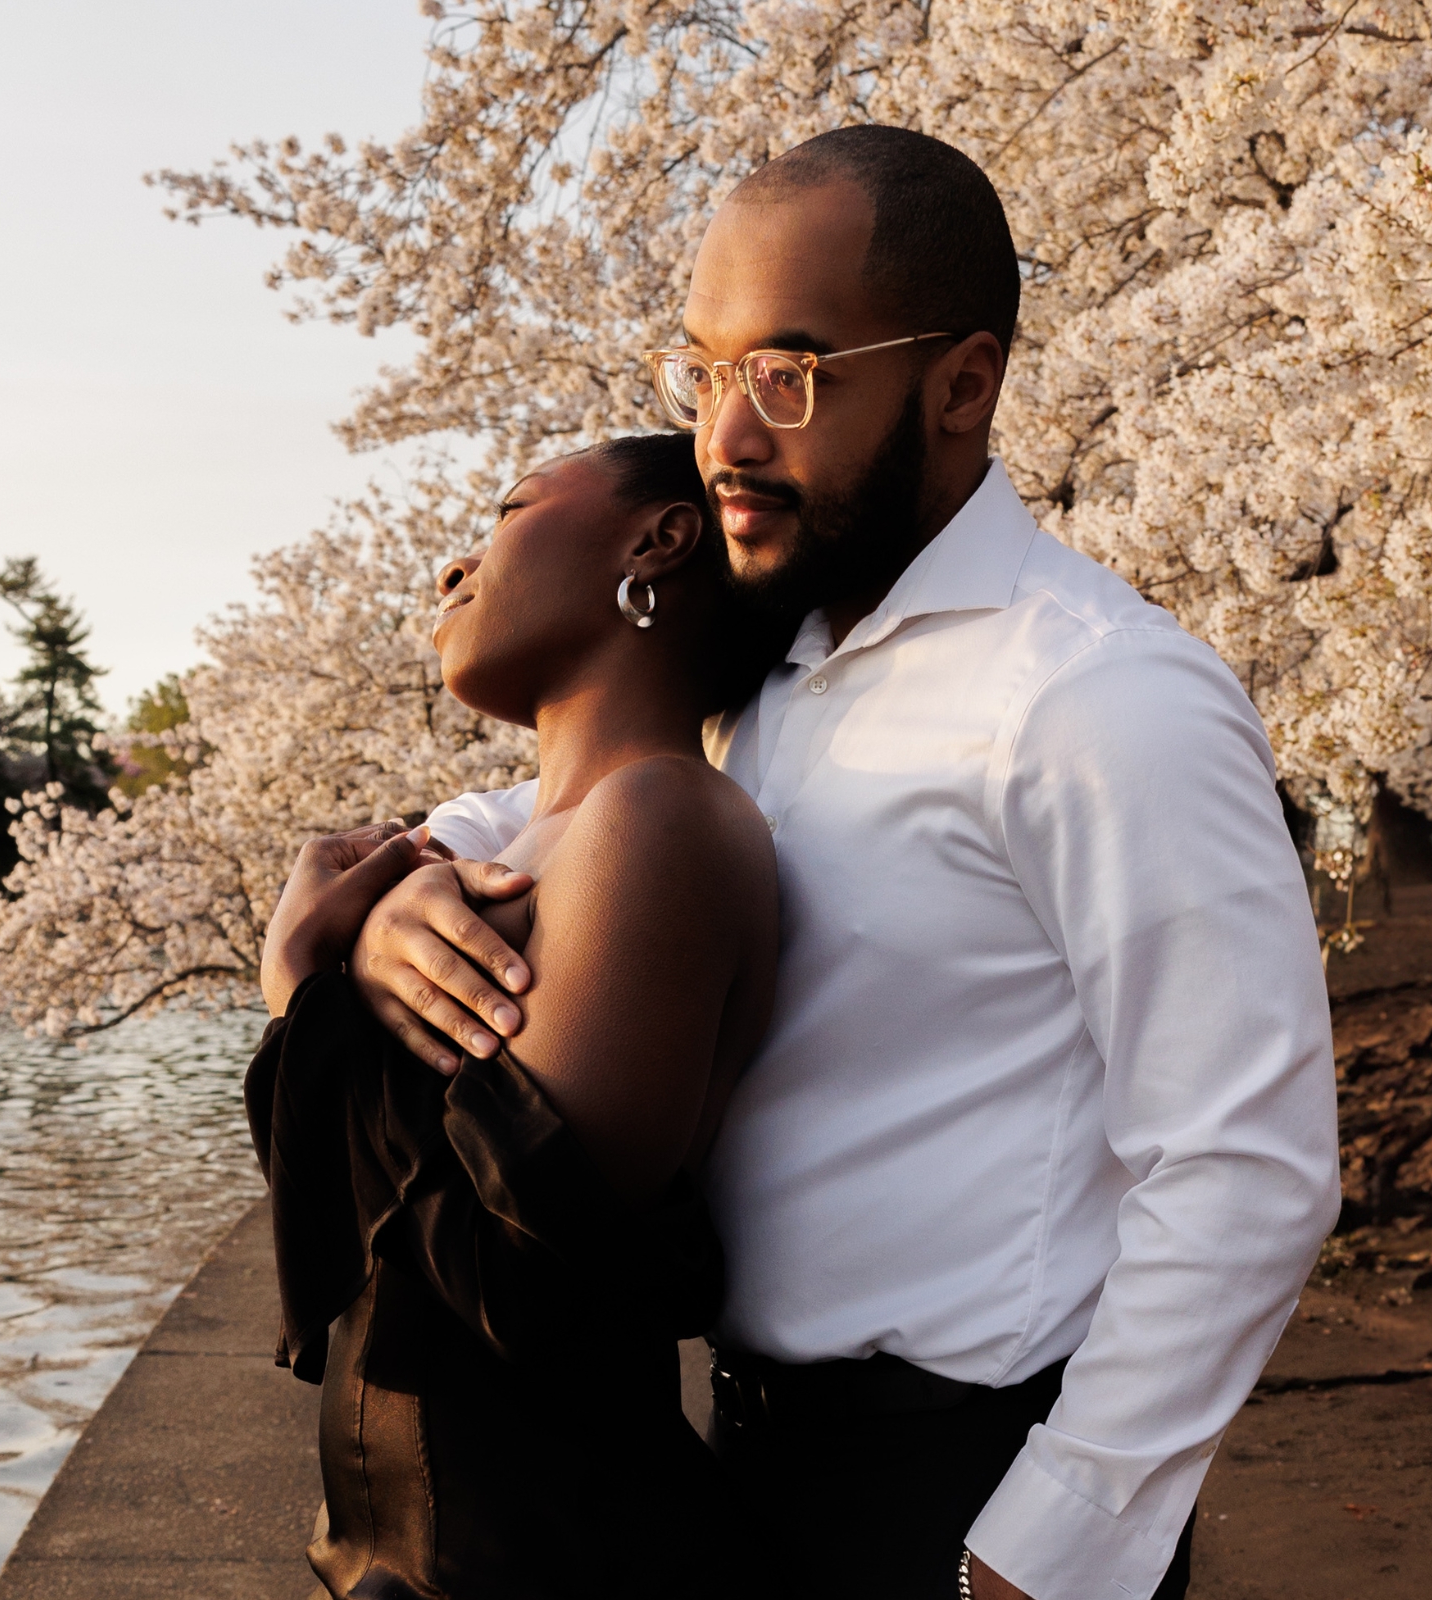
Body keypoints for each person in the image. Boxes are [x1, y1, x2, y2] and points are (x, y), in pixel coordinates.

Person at [343, 127, 1342, 1599]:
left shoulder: (1098, 697)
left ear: (961, 385)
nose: (728, 437)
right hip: (747, 1473)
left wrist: (1055, 1542)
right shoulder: (780, 664)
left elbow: (1247, 1161)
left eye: (791, 376)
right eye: (706, 371)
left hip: (964, 1493)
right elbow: (597, 796)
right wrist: (408, 889)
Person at [247, 433, 785, 1598]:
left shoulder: (659, 814)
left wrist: (302, 985)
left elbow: (519, 1272)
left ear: (659, 538)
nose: (451, 567)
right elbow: (364, 1206)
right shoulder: (508, 848)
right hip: (403, 1550)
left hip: (546, 1555)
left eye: (508, 508)